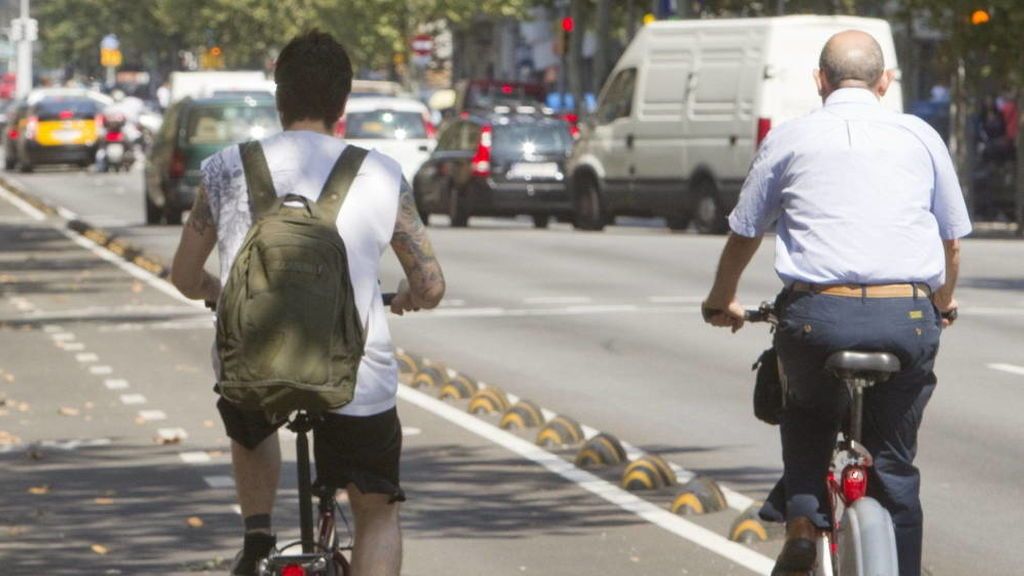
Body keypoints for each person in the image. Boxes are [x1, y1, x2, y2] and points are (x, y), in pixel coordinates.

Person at [170, 30, 445, 576]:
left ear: (280, 96)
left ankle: (256, 536)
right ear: (343, 104)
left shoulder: (226, 168)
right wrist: (410, 297)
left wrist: (219, 294)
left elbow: (183, 274)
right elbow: (431, 284)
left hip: (251, 366)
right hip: (356, 376)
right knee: (377, 509)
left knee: (250, 417)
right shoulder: (382, 172)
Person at [701, 30, 970, 576]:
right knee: (894, 467)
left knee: (803, 411)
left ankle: (802, 523)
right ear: (885, 82)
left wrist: (722, 298)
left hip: (816, 319)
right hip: (907, 318)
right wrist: (941, 301)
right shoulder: (921, 135)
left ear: (820, 81)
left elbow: (745, 231)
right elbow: (952, 240)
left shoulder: (789, 137)